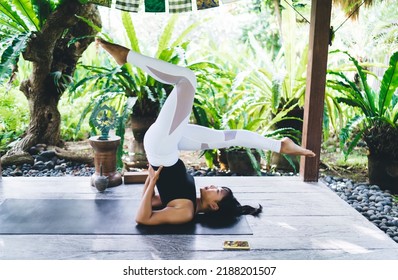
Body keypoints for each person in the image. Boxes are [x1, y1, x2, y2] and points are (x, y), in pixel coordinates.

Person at [96, 38, 315, 226]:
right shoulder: (190, 198)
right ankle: (280, 145)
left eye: (217, 191)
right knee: (227, 138)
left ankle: (128, 57)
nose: (213, 185)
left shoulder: (186, 212)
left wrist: (152, 180)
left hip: (161, 148)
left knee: (186, 80)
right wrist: (152, 179)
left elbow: (142, 218)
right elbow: (150, 200)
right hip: (170, 147)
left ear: (213, 206)